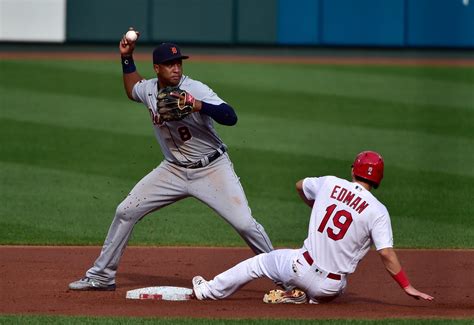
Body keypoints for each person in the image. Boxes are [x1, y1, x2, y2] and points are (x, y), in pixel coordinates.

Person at [68, 31, 273, 291]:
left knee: (246, 224)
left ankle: (289, 279)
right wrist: (127, 58)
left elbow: (230, 116)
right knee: (125, 211)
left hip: (211, 168)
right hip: (173, 171)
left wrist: (199, 105)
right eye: (169, 65)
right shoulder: (150, 90)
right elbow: (132, 89)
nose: (176, 69)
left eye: (179, 63)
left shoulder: (194, 88)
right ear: (157, 68)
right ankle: (101, 275)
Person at [192, 151, 434, 304]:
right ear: (378, 179)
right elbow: (385, 253)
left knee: (260, 263)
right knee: (340, 285)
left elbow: (299, 185)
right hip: (330, 287)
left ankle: (208, 291)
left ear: (353, 170)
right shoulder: (378, 210)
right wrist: (407, 286)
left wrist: (316, 205)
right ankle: (306, 297)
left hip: (299, 267)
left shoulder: (330, 184)